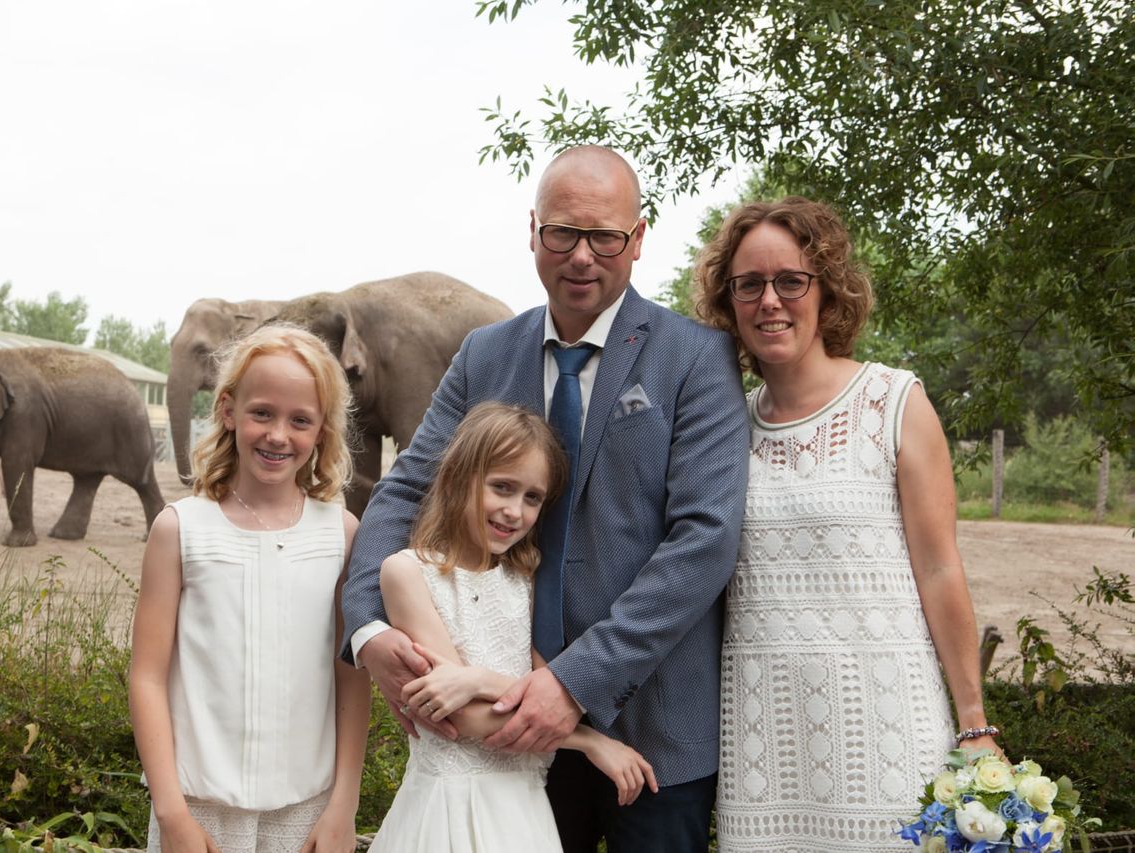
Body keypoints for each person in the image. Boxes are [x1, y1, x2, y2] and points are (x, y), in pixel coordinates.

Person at [342, 145, 750, 852]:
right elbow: (407, 486)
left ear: (639, 239)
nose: (582, 255)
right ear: (533, 230)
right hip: (498, 735)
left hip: (652, 732)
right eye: (563, 232)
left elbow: (705, 538)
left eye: (605, 236)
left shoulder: (696, 357)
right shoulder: (482, 354)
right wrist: (367, 627)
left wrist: (573, 681)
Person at [693, 197, 1002, 852]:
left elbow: (941, 567)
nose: (769, 300)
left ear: (827, 291)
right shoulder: (722, 427)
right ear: (729, 300)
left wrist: (974, 725)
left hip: (889, 732)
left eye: (790, 280)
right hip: (764, 747)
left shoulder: (894, 402)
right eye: (749, 284)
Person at [369, 402, 658, 852]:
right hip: (450, 806)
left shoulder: (525, 577)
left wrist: (477, 679)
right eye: (501, 487)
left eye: (532, 497)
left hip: (522, 810)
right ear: (460, 477)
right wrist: (593, 744)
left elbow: (544, 690)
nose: (514, 511)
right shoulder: (407, 572)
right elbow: (461, 716)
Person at [130, 323, 370, 853]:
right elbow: (147, 676)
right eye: (262, 412)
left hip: (308, 812)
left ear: (323, 431)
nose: (278, 435)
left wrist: (343, 808)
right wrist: (172, 815)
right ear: (228, 410)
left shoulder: (342, 534)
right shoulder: (179, 529)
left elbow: (350, 675)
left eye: (300, 420)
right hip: (197, 808)